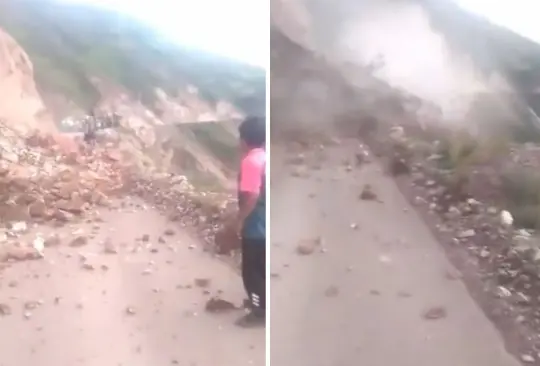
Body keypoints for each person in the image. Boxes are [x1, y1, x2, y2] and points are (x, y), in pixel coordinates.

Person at [234, 116, 266, 328]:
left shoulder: (250, 162)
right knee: (261, 269)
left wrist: (239, 220)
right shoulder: (264, 157)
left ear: (244, 140)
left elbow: (252, 197)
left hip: (255, 227)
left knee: (250, 273)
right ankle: (262, 300)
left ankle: (259, 311)